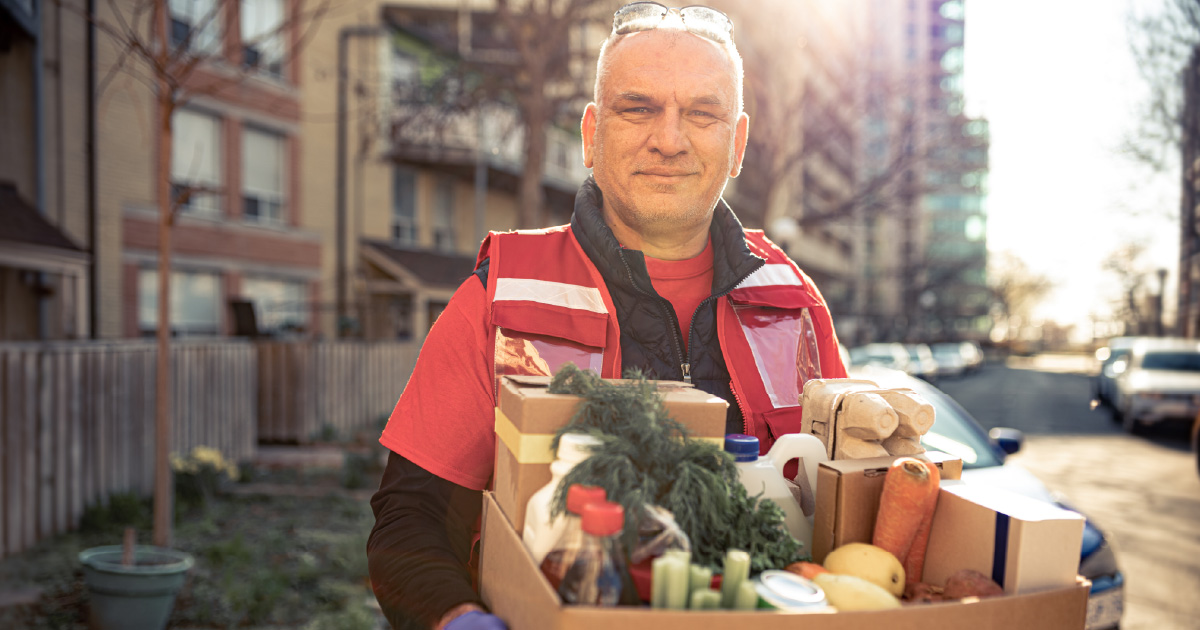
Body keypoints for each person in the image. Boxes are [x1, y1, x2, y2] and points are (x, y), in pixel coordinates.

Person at [367, 3, 847, 629]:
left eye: (702, 113)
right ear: (591, 135)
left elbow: (845, 505)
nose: (669, 140)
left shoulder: (796, 300)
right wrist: (456, 617)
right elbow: (410, 523)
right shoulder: (499, 295)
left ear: (738, 145)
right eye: (638, 108)